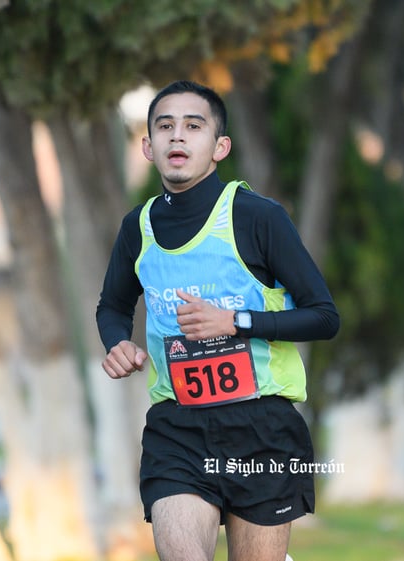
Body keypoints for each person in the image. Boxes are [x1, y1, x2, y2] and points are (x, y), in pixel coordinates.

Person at [96, 80, 340, 561]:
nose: (177, 137)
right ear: (147, 146)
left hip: (263, 426)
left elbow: (323, 317)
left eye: (193, 126)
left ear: (219, 147)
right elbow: (112, 305)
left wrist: (236, 322)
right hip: (178, 428)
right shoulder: (137, 228)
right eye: (164, 127)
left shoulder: (258, 218)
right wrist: (116, 342)